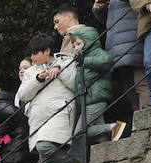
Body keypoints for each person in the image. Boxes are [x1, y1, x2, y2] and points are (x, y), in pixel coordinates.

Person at [18, 33, 81, 163]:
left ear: (47, 51)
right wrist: (39, 78)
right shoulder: (31, 72)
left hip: (60, 112)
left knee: (44, 147)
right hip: (38, 118)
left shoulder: (65, 61)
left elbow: (75, 84)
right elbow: (23, 95)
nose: (32, 58)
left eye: (35, 53)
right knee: (46, 158)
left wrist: (58, 70)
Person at [53, 3, 125, 144]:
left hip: (96, 97)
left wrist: (84, 61)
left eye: (78, 45)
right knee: (97, 131)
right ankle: (104, 154)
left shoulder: (93, 53)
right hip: (89, 97)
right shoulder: (83, 55)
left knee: (80, 132)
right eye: (74, 46)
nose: (75, 48)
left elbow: (107, 61)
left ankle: (113, 127)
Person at [94, 0, 147, 124]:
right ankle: (139, 126)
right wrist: (99, 9)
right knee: (129, 88)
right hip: (116, 45)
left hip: (134, 36)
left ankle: (146, 122)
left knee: (142, 83)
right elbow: (107, 20)